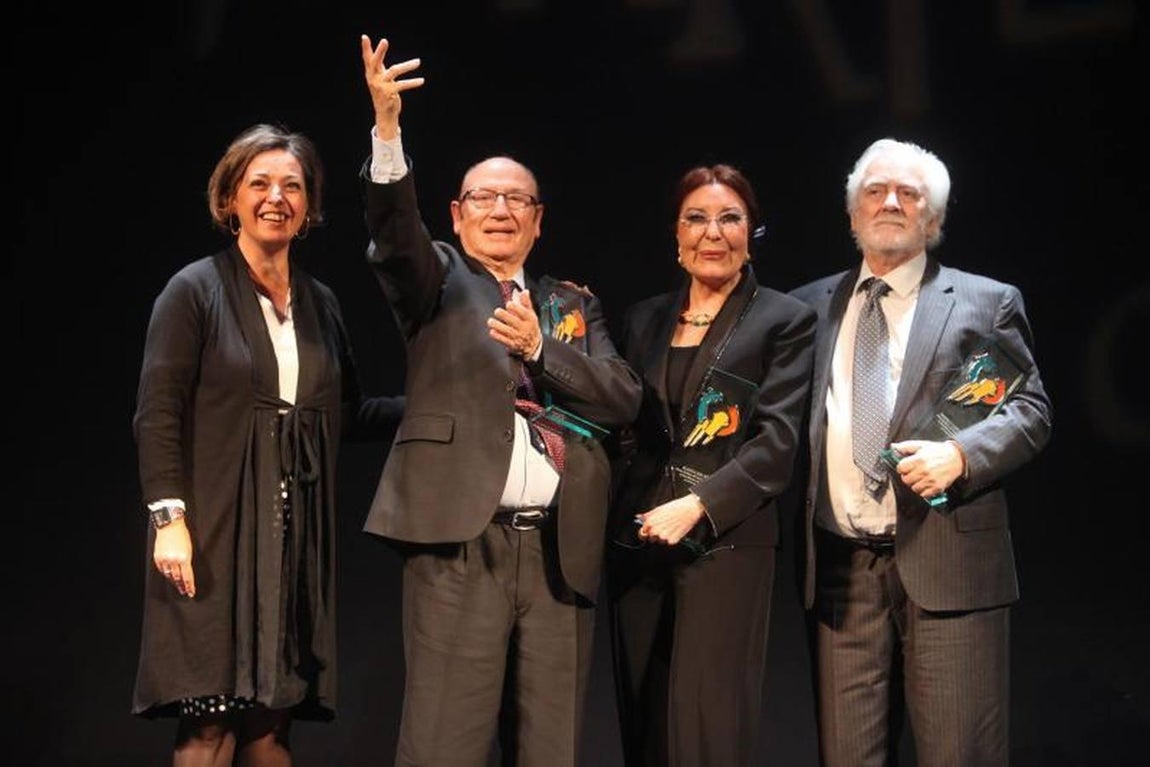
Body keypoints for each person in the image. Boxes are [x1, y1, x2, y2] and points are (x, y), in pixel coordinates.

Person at [357, 35, 643, 766]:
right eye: (484, 197)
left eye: (518, 200)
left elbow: (621, 396)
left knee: (549, 749)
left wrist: (543, 352)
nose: (501, 210)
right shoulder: (438, 278)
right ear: (456, 214)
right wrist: (388, 133)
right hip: (461, 542)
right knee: (444, 744)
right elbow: (394, 240)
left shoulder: (570, 304)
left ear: (539, 220)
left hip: (557, 551)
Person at [131, 123, 404, 765]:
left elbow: (348, 413)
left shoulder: (321, 304)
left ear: (309, 207)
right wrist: (169, 519)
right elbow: (157, 411)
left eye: (292, 185)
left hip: (293, 539)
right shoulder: (194, 291)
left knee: (270, 726)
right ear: (231, 200)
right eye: (259, 183)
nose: (275, 196)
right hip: (214, 536)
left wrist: (444, 408)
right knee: (211, 723)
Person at [788, 137, 1053, 766]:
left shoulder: (986, 302)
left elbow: (1031, 410)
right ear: (853, 213)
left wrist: (962, 455)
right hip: (841, 574)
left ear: (932, 219)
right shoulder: (806, 308)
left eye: (910, 194)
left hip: (949, 563)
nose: (891, 203)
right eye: (875, 191)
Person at [605, 163, 817, 766]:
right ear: (676, 236)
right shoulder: (644, 318)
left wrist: (698, 504)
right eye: (696, 219)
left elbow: (776, 445)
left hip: (723, 546)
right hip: (638, 545)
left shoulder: (783, 319)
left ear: (752, 232)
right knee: (644, 722)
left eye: (730, 218)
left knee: (706, 727)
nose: (713, 232)